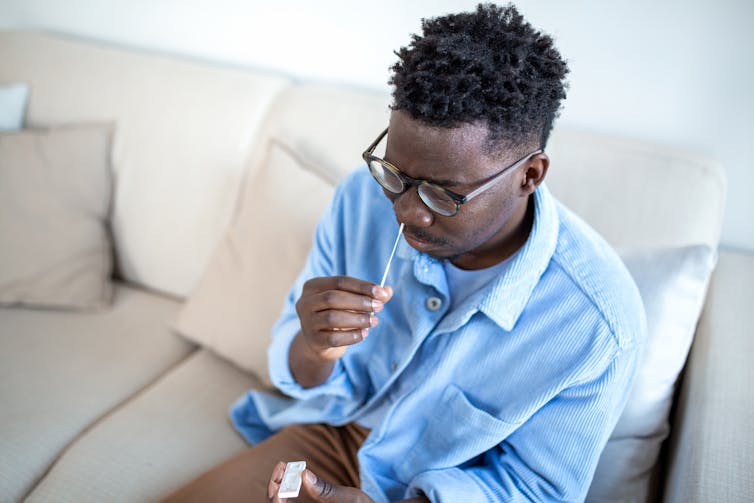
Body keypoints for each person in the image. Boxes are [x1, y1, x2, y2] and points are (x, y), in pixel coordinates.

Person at [162, 3, 645, 502]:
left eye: (443, 194)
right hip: (333, 435)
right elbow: (303, 376)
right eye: (396, 175)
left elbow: (536, 490)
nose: (407, 213)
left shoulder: (596, 323)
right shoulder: (359, 200)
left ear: (530, 175)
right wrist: (314, 345)